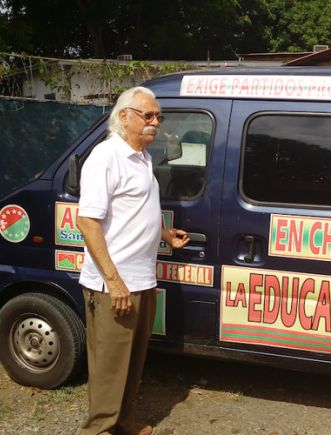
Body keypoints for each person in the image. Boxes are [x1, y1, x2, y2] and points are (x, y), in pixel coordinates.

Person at [77, 86, 189, 435]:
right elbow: (87, 221)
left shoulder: (142, 157)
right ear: (124, 117)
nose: (156, 122)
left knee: (132, 362)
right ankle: (99, 429)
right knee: (110, 368)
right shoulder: (106, 157)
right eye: (148, 115)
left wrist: (165, 234)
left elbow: (138, 209)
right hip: (115, 284)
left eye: (158, 116)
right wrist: (114, 283)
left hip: (142, 279)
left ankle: (123, 421)